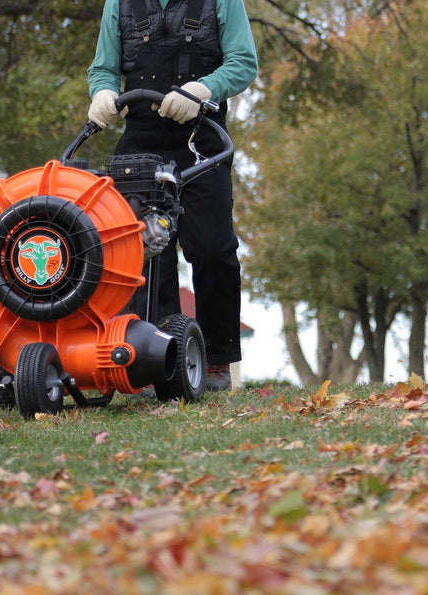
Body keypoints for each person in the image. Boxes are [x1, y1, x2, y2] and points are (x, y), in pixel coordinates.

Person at [86, 0, 257, 391]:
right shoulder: (120, 3)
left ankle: (214, 361)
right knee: (144, 254)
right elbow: (104, 68)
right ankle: (153, 362)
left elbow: (243, 61)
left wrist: (204, 88)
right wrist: (102, 92)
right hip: (140, 142)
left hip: (202, 139)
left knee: (213, 249)